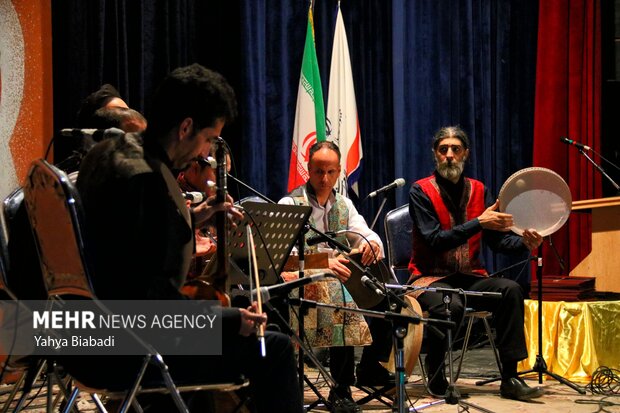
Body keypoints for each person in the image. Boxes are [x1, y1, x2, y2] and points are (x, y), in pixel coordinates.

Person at [73, 64, 303, 413]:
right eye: (209, 139)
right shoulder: (149, 182)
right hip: (127, 350)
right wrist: (230, 321)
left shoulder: (108, 153)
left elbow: (124, 240)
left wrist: (194, 216)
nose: (204, 153)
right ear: (185, 128)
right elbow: (155, 309)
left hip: (80, 339)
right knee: (275, 348)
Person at [407, 125, 544, 401]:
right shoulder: (419, 191)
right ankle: (436, 376)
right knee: (451, 305)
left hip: (470, 275)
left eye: (455, 149)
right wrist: (478, 222)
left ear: (465, 154)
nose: (449, 155)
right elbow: (435, 240)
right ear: (435, 154)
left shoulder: (479, 190)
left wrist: (524, 243)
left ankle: (510, 377)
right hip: (429, 278)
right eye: (443, 149)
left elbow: (497, 242)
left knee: (511, 290)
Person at [280, 141, 394, 412]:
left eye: (331, 172)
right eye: (319, 172)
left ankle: (370, 367)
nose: (324, 178)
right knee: (340, 297)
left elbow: (364, 231)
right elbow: (285, 257)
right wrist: (326, 263)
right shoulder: (290, 203)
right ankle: (341, 388)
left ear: (340, 171)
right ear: (308, 169)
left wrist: (370, 243)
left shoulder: (344, 204)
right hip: (303, 281)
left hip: (340, 277)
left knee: (386, 298)